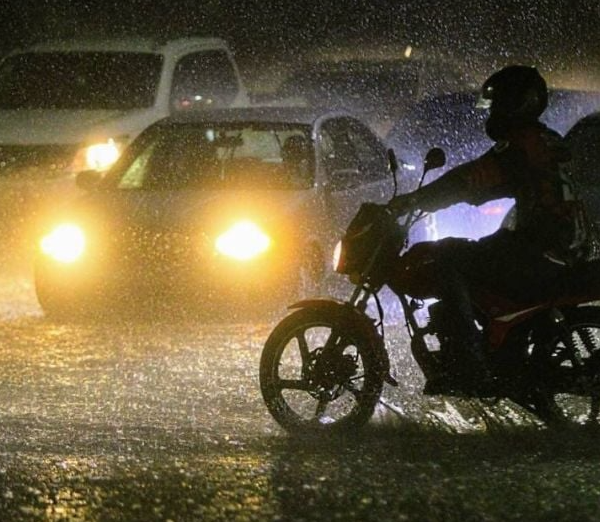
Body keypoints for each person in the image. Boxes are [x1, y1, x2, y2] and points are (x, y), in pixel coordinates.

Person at [388, 65, 593, 390]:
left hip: (541, 250)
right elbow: (487, 186)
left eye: (498, 104)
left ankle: (466, 363)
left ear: (515, 105)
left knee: (446, 258)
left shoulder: (520, 147)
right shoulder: (544, 140)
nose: (493, 112)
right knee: (473, 251)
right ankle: (495, 347)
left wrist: (417, 200)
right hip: (562, 244)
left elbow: (472, 179)